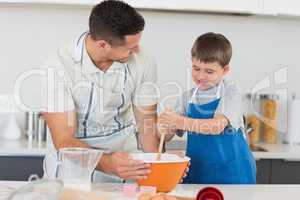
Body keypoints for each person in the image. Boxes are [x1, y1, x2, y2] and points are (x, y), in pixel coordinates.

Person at [42, 0, 160, 182]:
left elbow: (147, 124)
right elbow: (64, 140)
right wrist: (108, 164)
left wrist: (162, 169)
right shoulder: (57, 65)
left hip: (125, 167)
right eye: (130, 48)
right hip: (71, 171)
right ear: (103, 45)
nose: (137, 50)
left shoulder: (143, 60)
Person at [158, 32, 256, 184]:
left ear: (225, 70)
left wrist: (177, 121)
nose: (201, 76)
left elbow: (216, 126)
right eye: (196, 68)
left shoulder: (230, 92)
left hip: (232, 174)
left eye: (209, 71)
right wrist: (164, 123)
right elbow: (168, 135)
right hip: (198, 173)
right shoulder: (187, 97)